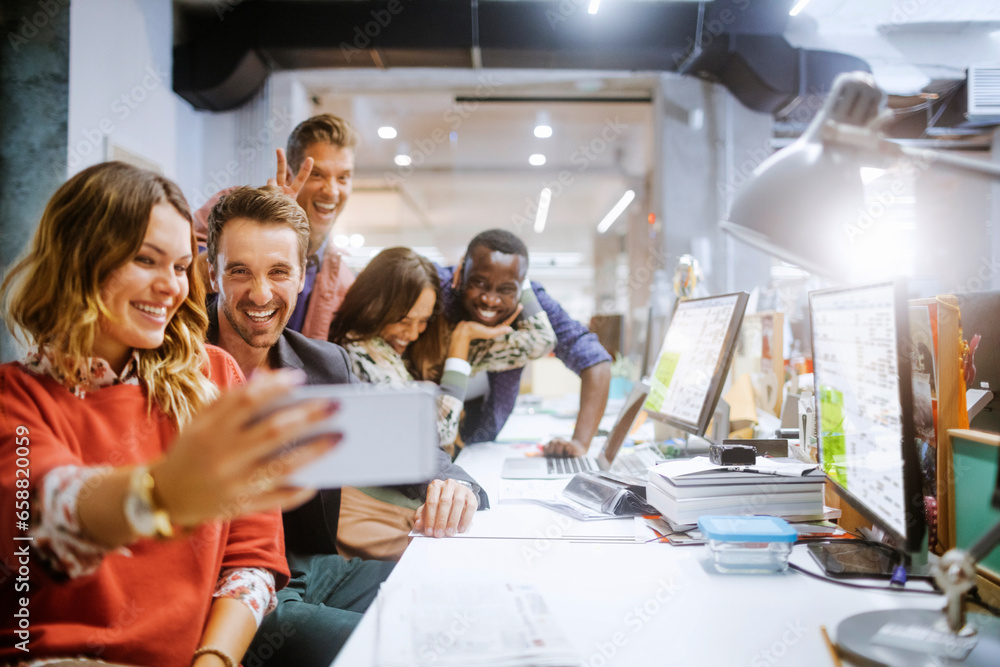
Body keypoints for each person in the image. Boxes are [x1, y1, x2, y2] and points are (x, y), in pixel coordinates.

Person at [0, 162, 338, 666]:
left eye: (180, 267)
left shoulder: (216, 376)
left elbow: (253, 560)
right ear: (79, 259)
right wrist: (159, 495)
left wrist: (215, 660)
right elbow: (47, 521)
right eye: (145, 259)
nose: (170, 286)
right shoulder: (17, 397)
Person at [203, 186, 483, 662]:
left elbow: (399, 447)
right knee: (409, 647)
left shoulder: (323, 364)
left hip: (315, 566)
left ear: (300, 277)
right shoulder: (171, 362)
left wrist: (453, 483)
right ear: (212, 273)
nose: (261, 293)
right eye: (239, 272)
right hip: (230, 588)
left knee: (460, 599)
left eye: (278, 272)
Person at [328, 247, 555, 559]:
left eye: (422, 321)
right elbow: (434, 439)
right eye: (404, 320)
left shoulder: (404, 347)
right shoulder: (360, 354)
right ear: (374, 306)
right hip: (390, 504)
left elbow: (541, 341)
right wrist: (460, 347)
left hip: (428, 484)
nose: (412, 333)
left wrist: (520, 278)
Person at [438, 229, 613, 456]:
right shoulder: (436, 289)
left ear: (523, 288)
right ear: (461, 271)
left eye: (506, 289)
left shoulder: (533, 303)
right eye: (479, 283)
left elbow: (595, 360)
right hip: (429, 444)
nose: (490, 299)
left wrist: (580, 443)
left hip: (477, 446)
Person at [194, 113, 357, 340]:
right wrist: (268, 226)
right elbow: (180, 273)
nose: (331, 191)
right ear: (290, 174)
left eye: (343, 177)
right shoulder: (230, 210)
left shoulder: (340, 276)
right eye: (317, 174)